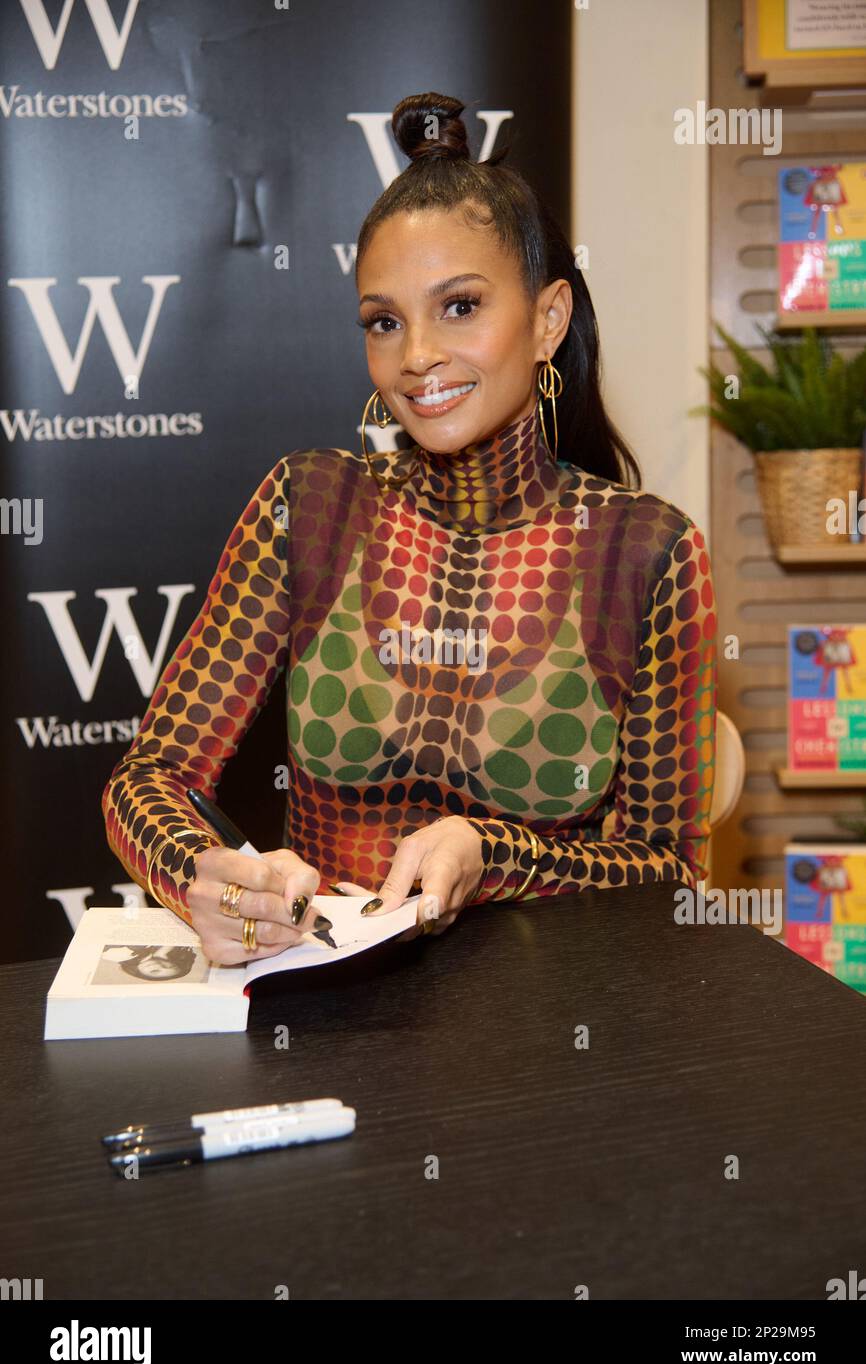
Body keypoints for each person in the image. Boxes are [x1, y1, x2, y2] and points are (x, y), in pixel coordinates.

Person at [102, 91, 717, 967]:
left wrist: (493, 853)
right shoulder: (308, 507)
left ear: (549, 320)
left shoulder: (646, 552)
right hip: (319, 1002)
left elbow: (674, 875)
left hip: (548, 1025)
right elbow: (148, 779)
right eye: (384, 321)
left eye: (459, 306)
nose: (416, 355)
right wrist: (196, 870)